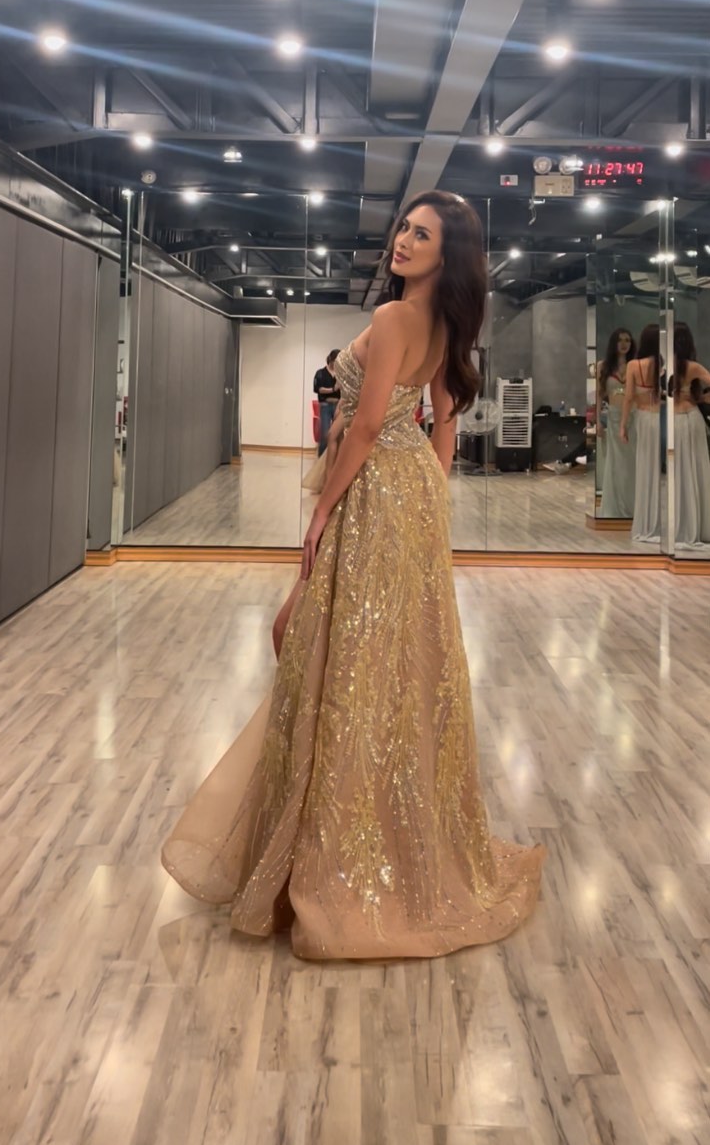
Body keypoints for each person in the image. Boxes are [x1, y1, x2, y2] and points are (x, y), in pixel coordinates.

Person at [162, 190, 544, 961]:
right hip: (410, 496)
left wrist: (321, 517)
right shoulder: (442, 325)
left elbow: (366, 426)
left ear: (446, 253)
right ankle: (368, 835)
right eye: (404, 227)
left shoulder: (398, 317)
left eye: (422, 234)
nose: (403, 240)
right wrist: (431, 499)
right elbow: (443, 422)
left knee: (339, 654)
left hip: (372, 493)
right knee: (384, 661)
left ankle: (335, 851)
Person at [621, 323, 662, 542]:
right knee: (659, 469)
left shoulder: (634, 365)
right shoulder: (662, 364)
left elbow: (628, 398)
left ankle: (646, 520)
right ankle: (657, 519)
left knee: (645, 467)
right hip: (662, 418)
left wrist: (623, 424)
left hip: (644, 419)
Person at [670, 322, 710, 548]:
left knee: (686, 469)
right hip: (685, 419)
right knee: (691, 469)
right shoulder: (686, 366)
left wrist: (702, 398)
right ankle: (692, 522)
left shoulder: (684, 367)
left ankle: (688, 523)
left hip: (684, 420)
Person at [596, 328, 636, 518]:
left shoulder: (634, 366)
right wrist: (597, 421)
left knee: (631, 463)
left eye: (627, 340)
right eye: (620, 340)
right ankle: (615, 507)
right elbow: (599, 395)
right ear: (614, 342)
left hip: (633, 417)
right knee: (615, 462)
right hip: (612, 417)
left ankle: (631, 506)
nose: (624, 344)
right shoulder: (603, 366)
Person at [313, 350, 341, 455]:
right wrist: (333, 389)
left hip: (338, 405)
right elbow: (319, 389)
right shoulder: (320, 373)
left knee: (337, 433)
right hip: (325, 405)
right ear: (331, 360)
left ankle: (333, 457)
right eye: (335, 361)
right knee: (325, 434)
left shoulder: (340, 373)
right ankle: (321, 457)